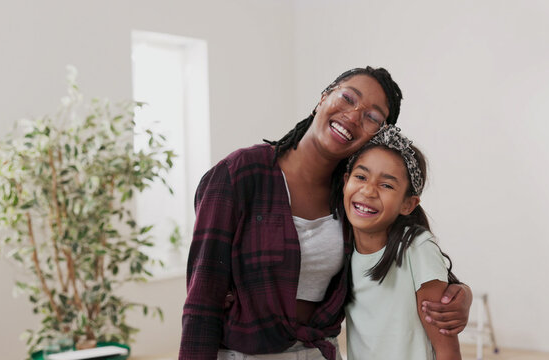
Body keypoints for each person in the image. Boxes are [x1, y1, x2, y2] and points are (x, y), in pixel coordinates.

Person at [180, 67, 472, 360]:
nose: (354, 115)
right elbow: (203, 298)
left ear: (379, 134)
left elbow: (413, 257)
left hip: (320, 352)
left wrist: (460, 295)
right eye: (348, 98)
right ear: (323, 98)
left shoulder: (354, 196)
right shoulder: (240, 174)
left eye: (372, 117)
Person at [343, 125, 461, 359]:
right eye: (361, 177)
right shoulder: (342, 247)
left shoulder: (417, 248)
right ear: (346, 181)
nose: (368, 190)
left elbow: (447, 349)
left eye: (386, 185)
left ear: (408, 204)